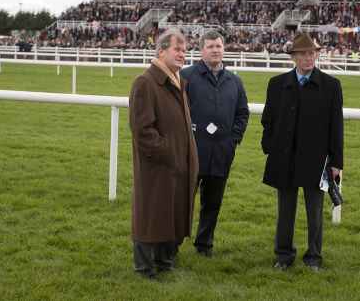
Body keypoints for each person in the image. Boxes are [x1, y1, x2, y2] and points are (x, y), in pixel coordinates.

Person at [261, 32, 344, 271]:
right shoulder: (277, 84)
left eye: (312, 53)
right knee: (285, 211)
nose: (309, 57)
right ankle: (284, 256)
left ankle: (313, 257)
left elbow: (336, 127)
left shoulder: (331, 86)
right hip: (284, 158)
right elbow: (268, 120)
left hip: (316, 160)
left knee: (314, 212)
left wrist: (336, 161)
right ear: (294, 57)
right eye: (303, 54)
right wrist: (269, 148)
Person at [128, 28, 199, 279]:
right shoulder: (145, 83)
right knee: (151, 214)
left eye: (184, 50)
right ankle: (144, 267)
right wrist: (169, 153)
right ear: (161, 51)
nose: (182, 54)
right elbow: (143, 131)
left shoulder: (176, 82)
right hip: (157, 165)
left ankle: (164, 261)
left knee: (169, 213)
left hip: (177, 164)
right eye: (177, 49)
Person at [181, 29, 249, 257]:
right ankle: (173, 242)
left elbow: (242, 113)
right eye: (210, 46)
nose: (215, 50)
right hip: (192, 151)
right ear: (202, 50)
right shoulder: (187, 76)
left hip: (221, 152)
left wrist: (233, 139)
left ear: (224, 49)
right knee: (183, 200)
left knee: (213, 202)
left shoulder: (235, 81)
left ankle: (204, 244)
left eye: (218, 46)